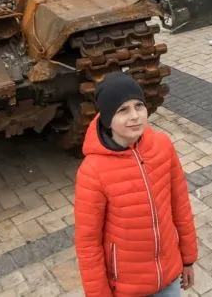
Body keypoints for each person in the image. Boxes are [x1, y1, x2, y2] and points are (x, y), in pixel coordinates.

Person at [73, 73, 197, 297]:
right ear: (107, 118)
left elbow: (181, 206)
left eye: (138, 106)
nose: (135, 117)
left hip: (169, 277)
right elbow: (88, 244)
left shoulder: (163, 146)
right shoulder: (93, 171)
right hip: (128, 289)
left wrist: (188, 259)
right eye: (123, 110)